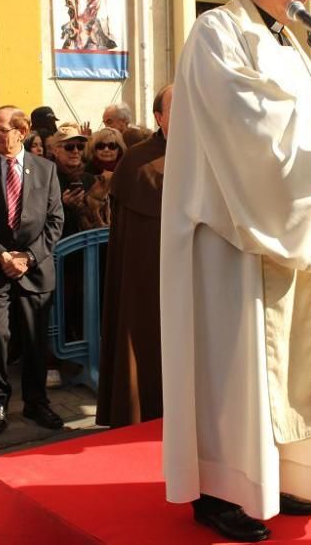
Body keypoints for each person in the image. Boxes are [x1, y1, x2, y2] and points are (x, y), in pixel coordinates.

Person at [161, 0, 311, 542]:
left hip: (284, 222)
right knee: (233, 367)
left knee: (284, 371)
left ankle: (274, 473)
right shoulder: (216, 32)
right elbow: (246, 123)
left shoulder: (291, 42)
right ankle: (219, 489)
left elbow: (309, 122)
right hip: (230, 234)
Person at [0, 106, 64, 435]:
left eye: (2, 129)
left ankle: (36, 402)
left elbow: (55, 221)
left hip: (34, 269)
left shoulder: (45, 170)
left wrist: (28, 258)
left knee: (34, 338)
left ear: (22, 130)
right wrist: (1, 255)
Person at [96, 84, 171, 428]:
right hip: (150, 278)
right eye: (178, 107)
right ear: (159, 117)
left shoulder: (210, 149)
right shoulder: (139, 161)